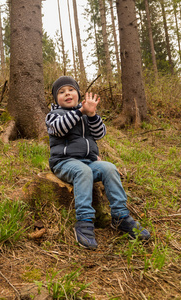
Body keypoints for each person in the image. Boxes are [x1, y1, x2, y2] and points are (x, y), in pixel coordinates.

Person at [45, 76, 150, 250]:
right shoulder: (54, 115)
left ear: (79, 94)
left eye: (71, 90)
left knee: (109, 168)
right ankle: (85, 221)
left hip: (88, 161)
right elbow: (60, 128)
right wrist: (79, 113)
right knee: (83, 171)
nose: (67, 94)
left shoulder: (86, 114)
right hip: (64, 163)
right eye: (61, 92)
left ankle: (120, 216)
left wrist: (92, 114)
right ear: (56, 99)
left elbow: (100, 133)